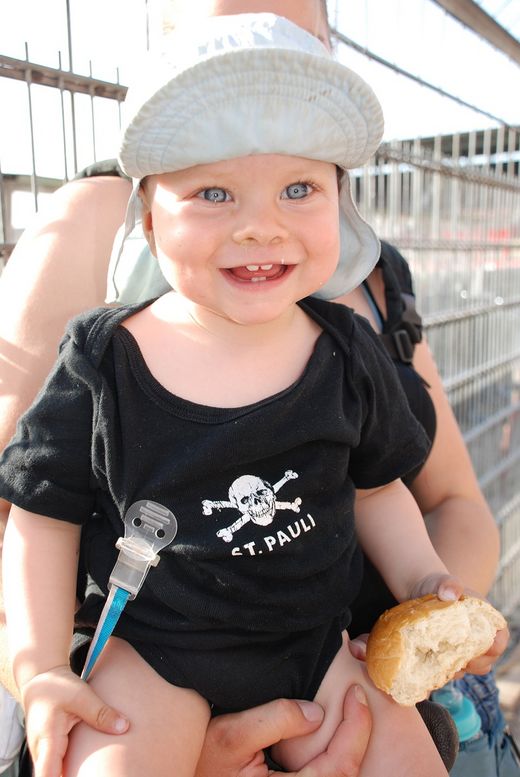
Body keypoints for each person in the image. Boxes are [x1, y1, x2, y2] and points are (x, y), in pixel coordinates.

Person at [0, 1, 511, 775]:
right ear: (144, 213)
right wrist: (38, 664)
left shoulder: (345, 349)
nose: (260, 226)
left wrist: (423, 579)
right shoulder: (104, 358)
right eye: (213, 194)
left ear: (340, 195)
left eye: (298, 190)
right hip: (150, 653)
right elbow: (41, 515)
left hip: (316, 648)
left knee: (408, 754)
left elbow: (377, 490)